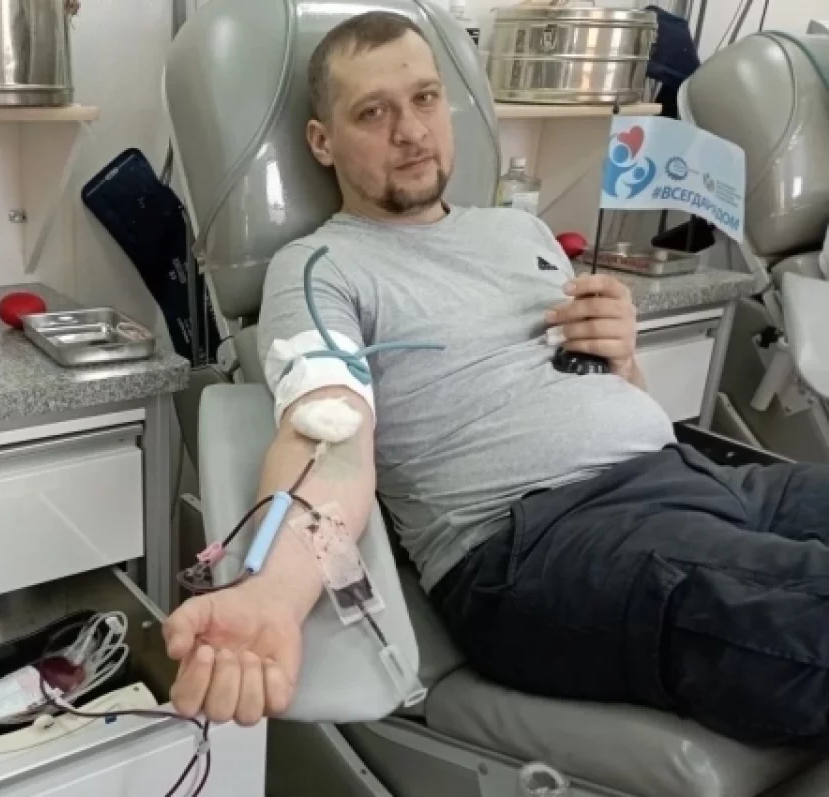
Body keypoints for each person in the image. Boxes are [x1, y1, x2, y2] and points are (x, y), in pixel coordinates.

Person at [161, 10, 829, 746]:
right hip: (544, 543)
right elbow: (328, 439)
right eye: (373, 112)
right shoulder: (321, 267)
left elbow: (602, 403)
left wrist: (624, 357)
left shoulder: (520, 231)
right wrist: (274, 595)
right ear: (322, 141)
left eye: (424, 98)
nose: (411, 131)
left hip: (688, 478)